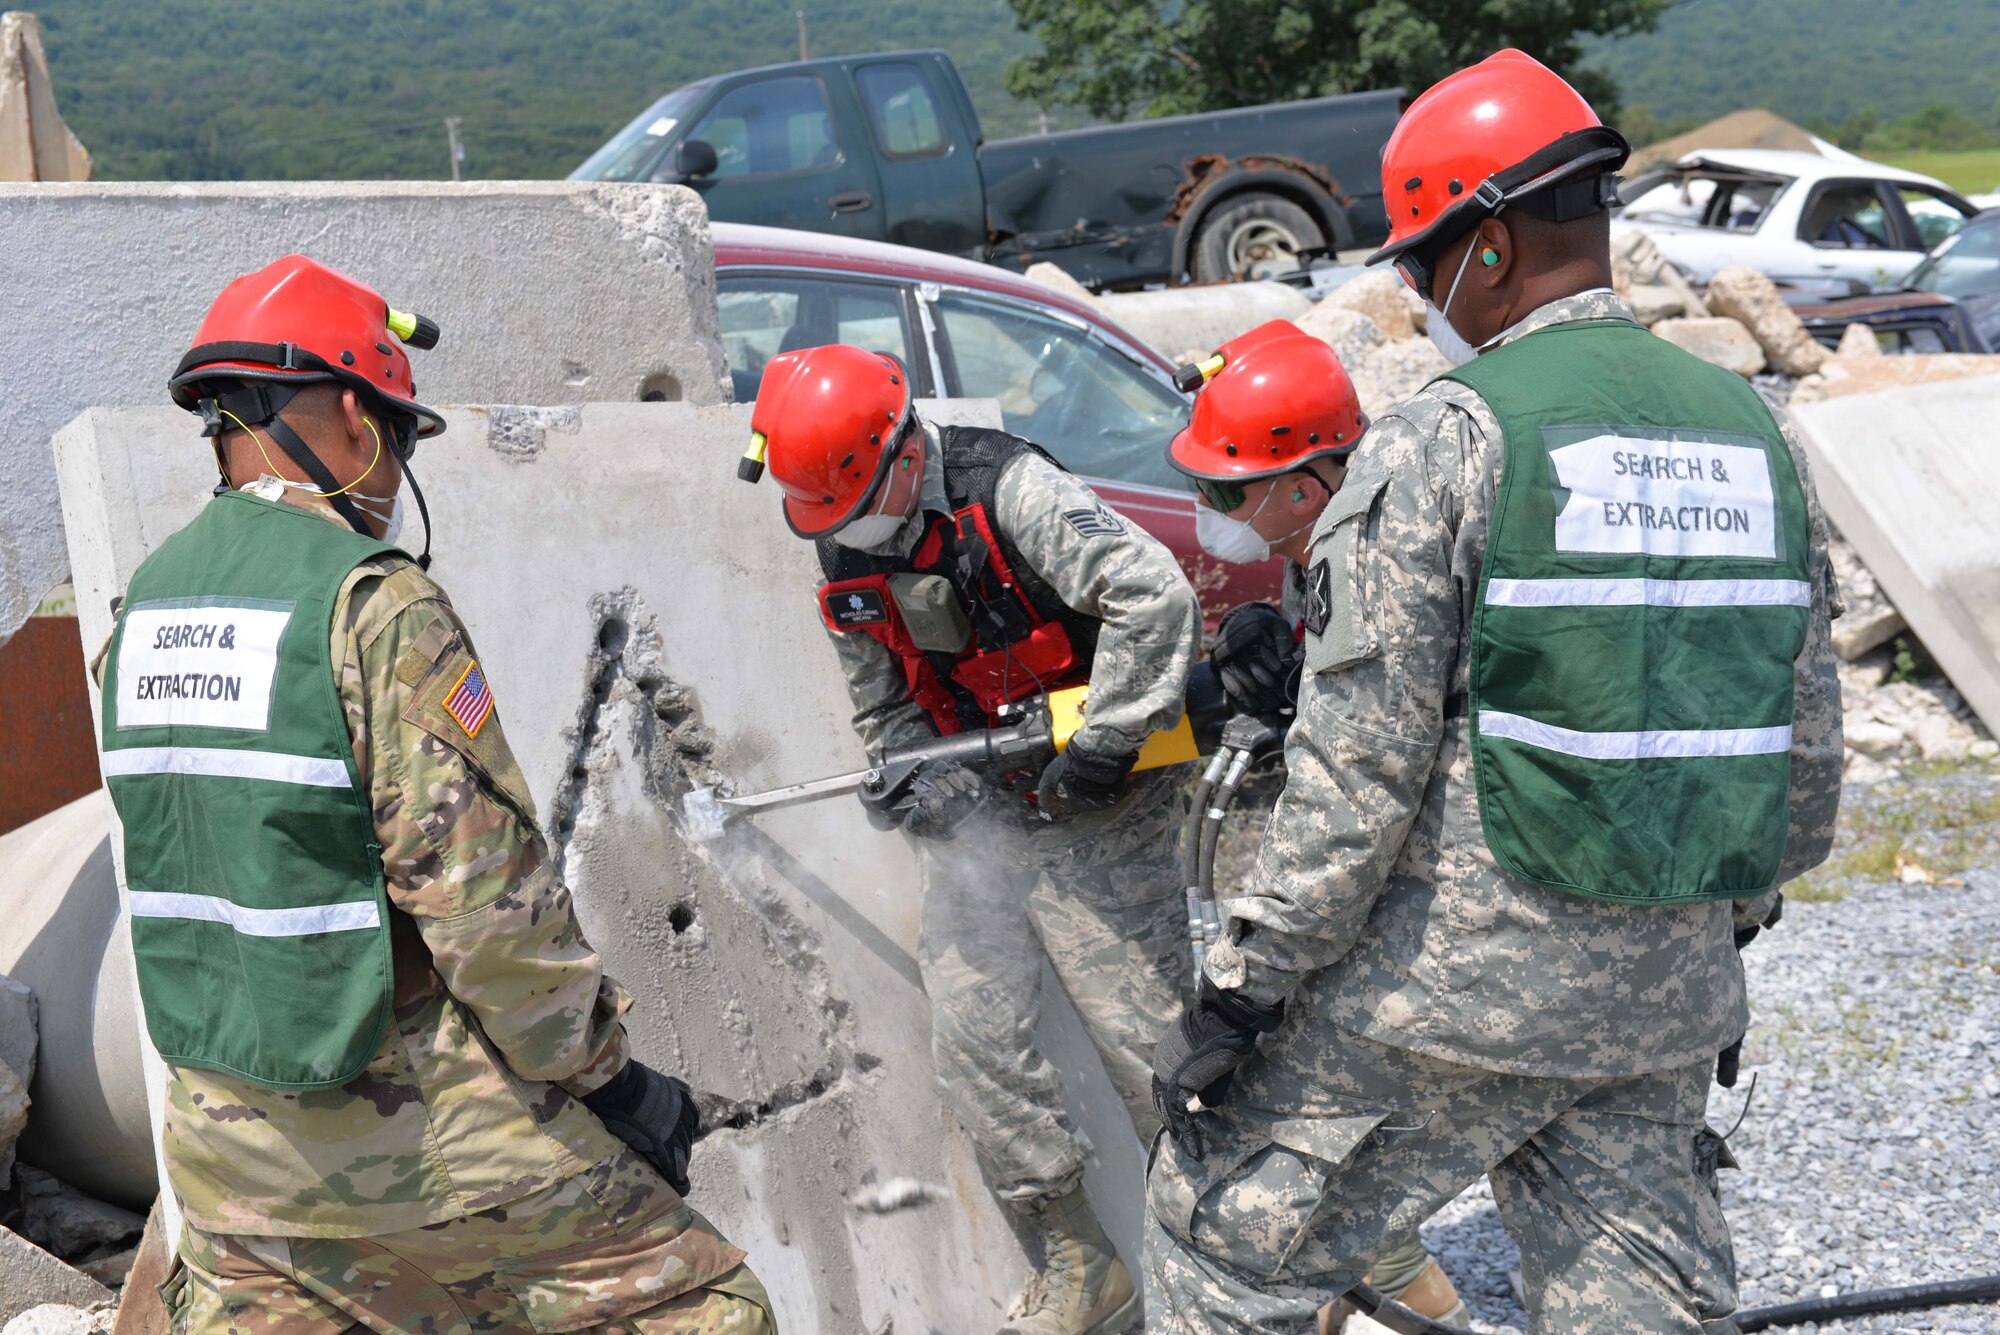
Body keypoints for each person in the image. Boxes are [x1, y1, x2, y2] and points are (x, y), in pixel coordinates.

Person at [1143, 49, 1843, 1334]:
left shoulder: (1449, 439)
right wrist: (1710, 922)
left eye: (1420, 258)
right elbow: (1798, 779)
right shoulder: (1758, 437)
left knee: (1215, 1233)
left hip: (1461, 989)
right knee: (1636, 1296)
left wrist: (1243, 986)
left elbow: (1357, 777)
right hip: (1671, 992)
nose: (1418, 290)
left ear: (1492, 244)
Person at [95, 256, 772, 1333]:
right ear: (358, 423)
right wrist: (610, 1080)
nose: (392, 469)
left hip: (227, 1164)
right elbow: (485, 909)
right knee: (709, 1310)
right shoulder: (370, 608)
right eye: (399, 438)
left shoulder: (143, 618)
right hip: (412, 1142)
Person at [741, 344, 1202, 1335]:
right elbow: (882, 710)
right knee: (974, 1040)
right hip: (986, 813)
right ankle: (1080, 1263)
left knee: (1150, 1046)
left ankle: (1234, 1256)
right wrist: (920, 785)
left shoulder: (1012, 492)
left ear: (902, 457)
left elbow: (1152, 592)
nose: (847, 536)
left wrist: (1108, 739)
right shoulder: (845, 553)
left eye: (853, 504)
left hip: (1098, 794)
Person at [1166, 320, 1468, 1333]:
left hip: (1436, 894)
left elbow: (1369, 774)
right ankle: (1387, 1295)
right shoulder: (1330, 534)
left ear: (1303, 482)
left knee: (1318, 1120)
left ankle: (1405, 1303)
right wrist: (1275, 650)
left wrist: (1250, 981)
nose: (1208, 514)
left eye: (1221, 492)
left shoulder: (1379, 541)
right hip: (1394, 883)